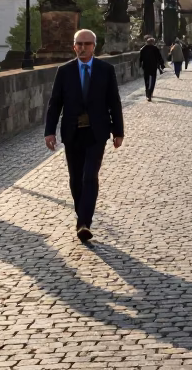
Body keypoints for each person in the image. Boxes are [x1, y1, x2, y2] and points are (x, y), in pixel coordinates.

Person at [44, 29, 125, 242]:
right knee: (75, 179)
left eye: (87, 44)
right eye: (79, 44)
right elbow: (55, 103)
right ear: (74, 47)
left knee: (90, 176)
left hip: (97, 131)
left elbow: (114, 101)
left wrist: (118, 131)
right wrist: (49, 131)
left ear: (94, 46)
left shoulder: (105, 70)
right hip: (72, 132)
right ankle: (82, 213)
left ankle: (84, 222)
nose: (82, 47)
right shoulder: (64, 71)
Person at [139, 36, 164, 101]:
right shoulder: (155, 49)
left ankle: (148, 92)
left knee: (146, 80)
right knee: (152, 81)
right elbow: (159, 57)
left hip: (146, 67)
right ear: (152, 42)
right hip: (153, 67)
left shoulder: (143, 49)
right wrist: (162, 65)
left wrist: (140, 66)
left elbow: (140, 59)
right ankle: (149, 93)